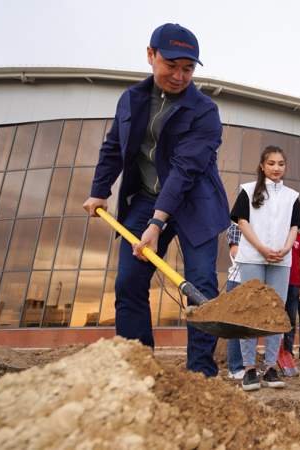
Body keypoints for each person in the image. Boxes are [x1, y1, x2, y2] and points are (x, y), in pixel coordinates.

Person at [82, 23, 228, 377]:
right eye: (172, 65)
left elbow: (184, 170)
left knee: (201, 286)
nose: (179, 76)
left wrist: (157, 223)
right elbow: (114, 146)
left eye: (188, 69)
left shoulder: (205, 111)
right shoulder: (131, 99)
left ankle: (200, 373)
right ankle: (138, 368)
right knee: (128, 282)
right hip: (146, 200)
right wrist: (99, 189)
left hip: (195, 204)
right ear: (151, 55)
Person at [230, 145, 300, 392]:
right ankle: (249, 368)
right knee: (250, 311)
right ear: (262, 166)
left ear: (286, 167)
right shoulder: (247, 191)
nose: (276, 168)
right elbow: (242, 222)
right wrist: (261, 247)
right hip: (252, 257)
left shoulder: (292, 196)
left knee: (276, 313)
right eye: (271, 163)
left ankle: (271, 366)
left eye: (281, 164)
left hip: (280, 261)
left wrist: (285, 249)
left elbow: (295, 227)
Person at [224, 223, 245, 380]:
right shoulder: (236, 226)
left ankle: (245, 366)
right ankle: (235, 368)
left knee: (246, 327)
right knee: (235, 327)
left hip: (251, 280)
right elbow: (235, 252)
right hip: (237, 281)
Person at [283, 232, 300, 356]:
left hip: (295, 283)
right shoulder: (280, 231)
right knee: (277, 317)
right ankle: (276, 350)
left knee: (291, 318)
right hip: (281, 282)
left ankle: (288, 350)